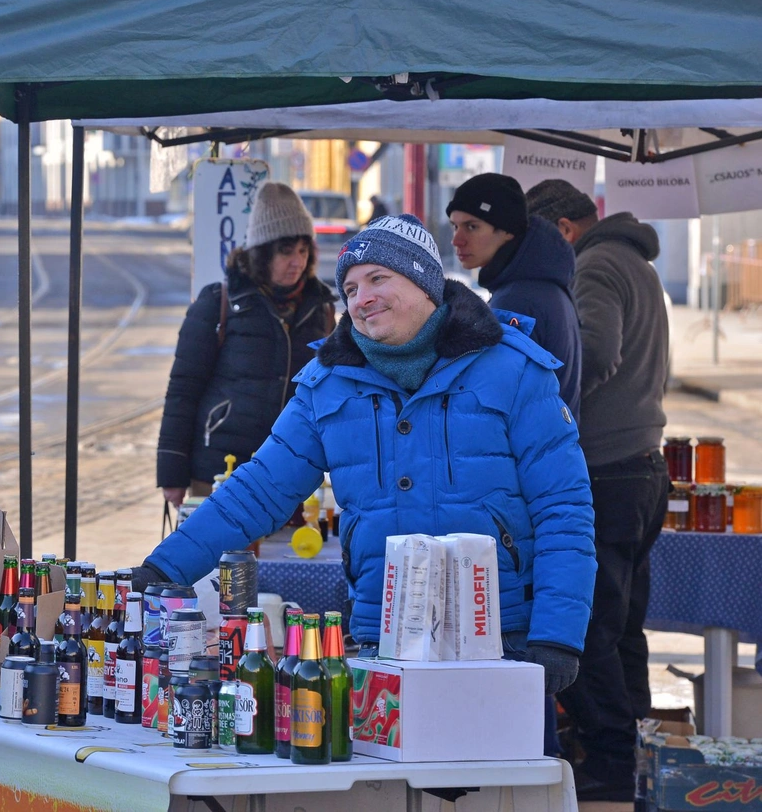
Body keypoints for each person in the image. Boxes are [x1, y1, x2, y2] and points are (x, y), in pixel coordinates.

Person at [137, 214, 597, 704]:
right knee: (390, 759)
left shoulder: (514, 369)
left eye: (378, 278)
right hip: (385, 638)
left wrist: (557, 635)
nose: (362, 298)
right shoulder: (327, 384)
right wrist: (164, 569)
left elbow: (563, 507)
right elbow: (258, 490)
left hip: (502, 637)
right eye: (351, 289)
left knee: (496, 757)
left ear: (424, 282)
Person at [526, 179, 670, 802]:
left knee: (587, 630)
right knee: (624, 627)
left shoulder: (595, 264)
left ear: (562, 230)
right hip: (642, 467)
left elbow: (598, 349)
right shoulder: (635, 262)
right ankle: (638, 755)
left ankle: (611, 760)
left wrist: (542, 393)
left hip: (607, 470)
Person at [157, 180, 335, 506]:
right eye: (285, 251)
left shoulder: (320, 310)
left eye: (303, 250)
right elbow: (183, 390)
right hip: (218, 470)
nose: (296, 261)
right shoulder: (218, 303)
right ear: (262, 253)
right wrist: (172, 473)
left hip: (288, 472)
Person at [447, 172, 582, 417]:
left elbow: (494, 397)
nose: (457, 240)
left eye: (472, 226)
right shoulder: (542, 284)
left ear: (508, 231)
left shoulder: (518, 300)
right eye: (455, 226)